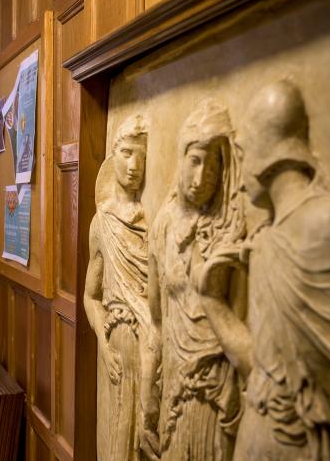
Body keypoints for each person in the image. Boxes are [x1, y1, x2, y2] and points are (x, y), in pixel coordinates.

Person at [199, 80, 330, 460]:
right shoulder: (268, 237)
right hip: (257, 436)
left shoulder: (327, 225)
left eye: (244, 151)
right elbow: (264, 370)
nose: (236, 186)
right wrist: (211, 301)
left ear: (267, 154)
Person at [146, 98, 246, 460]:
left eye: (213, 162)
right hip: (174, 384)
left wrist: (234, 391)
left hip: (215, 390)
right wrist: (148, 393)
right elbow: (155, 319)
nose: (201, 177)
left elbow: (242, 319)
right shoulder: (164, 225)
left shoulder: (231, 230)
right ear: (180, 157)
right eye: (194, 160)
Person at [82, 115, 160, 461]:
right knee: (116, 443)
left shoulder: (150, 222)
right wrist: (102, 341)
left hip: (150, 345)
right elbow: (90, 296)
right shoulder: (102, 224)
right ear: (114, 157)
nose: (133, 165)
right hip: (116, 346)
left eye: (140, 156)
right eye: (127, 153)